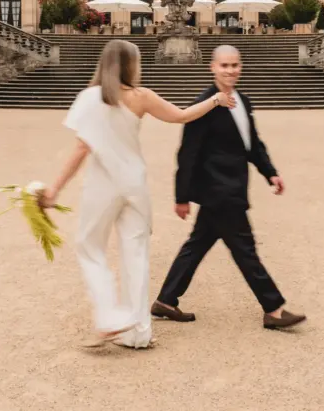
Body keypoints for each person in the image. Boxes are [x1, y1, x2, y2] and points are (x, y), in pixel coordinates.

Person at [42, 39, 235, 349]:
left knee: (90, 247)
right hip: (134, 184)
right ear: (132, 65)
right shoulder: (141, 96)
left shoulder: (90, 98)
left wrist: (53, 189)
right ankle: (138, 333)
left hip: (103, 183)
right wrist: (215, 101)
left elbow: (82, 148)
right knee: (136, 254)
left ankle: (109, 318)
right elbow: (181, 116)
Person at [152, 45, 306, 330]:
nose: (230, 70)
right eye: (224, 65)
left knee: (197, 245)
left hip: (232, 187)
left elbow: (252, 144)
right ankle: (273, 308)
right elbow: (187, 154)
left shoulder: (243, 101)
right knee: (245, 249)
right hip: (220, 191)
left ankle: (166, 300)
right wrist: (181, 196)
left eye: (235, 65)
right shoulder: (204, 104)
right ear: (212, 68)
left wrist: (270, 173)